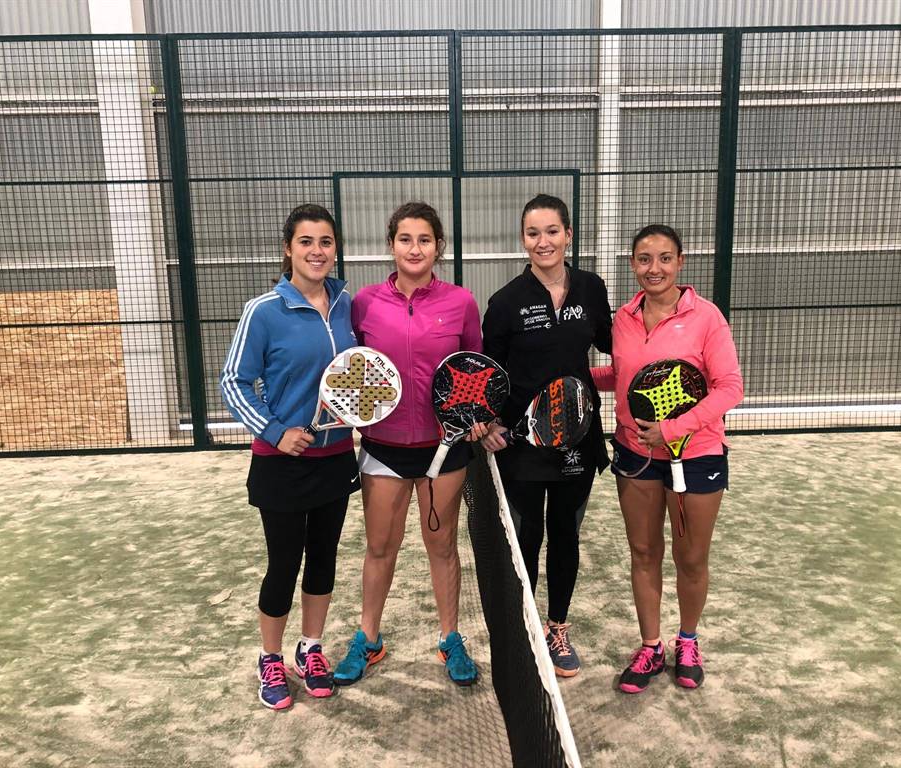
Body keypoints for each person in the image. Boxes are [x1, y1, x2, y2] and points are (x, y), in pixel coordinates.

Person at [332, 201, 482, 687]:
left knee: (442, 546)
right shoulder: (364, 303)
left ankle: (450, 638)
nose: (414, 249)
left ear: (439, 247)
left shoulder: (461, 302)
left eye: (424, 240)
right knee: (380, 547)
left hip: (445, 449)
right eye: (405, 239)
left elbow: (474, 371)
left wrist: (474, 419)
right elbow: (351, 371)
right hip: (383, 447)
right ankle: (368, 638)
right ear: (391, 245)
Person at [219, 204, 359, 709]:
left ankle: (311, 649)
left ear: (335, 249)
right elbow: (233, 382)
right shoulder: (264, 311)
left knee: (323, 559)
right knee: (284, 563)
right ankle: (271, 658)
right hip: (281, 462)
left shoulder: (346, 305)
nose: (317, 251)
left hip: (335, 456)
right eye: (306, 241)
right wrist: (276, 432)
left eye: (325, 242)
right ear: (288, 248)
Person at [592, 224, 743, 693]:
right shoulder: (624, 318)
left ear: (680, 262)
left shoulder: (707, 317)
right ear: (632, 264)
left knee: (691, 557)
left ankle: (688, 641)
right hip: (635, 454)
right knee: (644, 552)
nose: (653, 268)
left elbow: (730, 388)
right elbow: (625, 376)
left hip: (696, 456)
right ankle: (651, 647)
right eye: (643, 259)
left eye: (663, 258)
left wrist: (672, 431)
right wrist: (575, 375)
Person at [480, 194, 612, 678]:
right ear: (523, 239)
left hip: (578, 441)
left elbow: (615, 342)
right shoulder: (505, 302)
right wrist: (490, 424)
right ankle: (525, 630)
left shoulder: (592, 288)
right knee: (526, 538)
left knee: (565, 536)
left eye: (552, 231)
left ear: (568, 235)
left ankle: (558, 627)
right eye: (533, 233)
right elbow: (489, 375)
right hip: (522, 446)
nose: (543, 241)